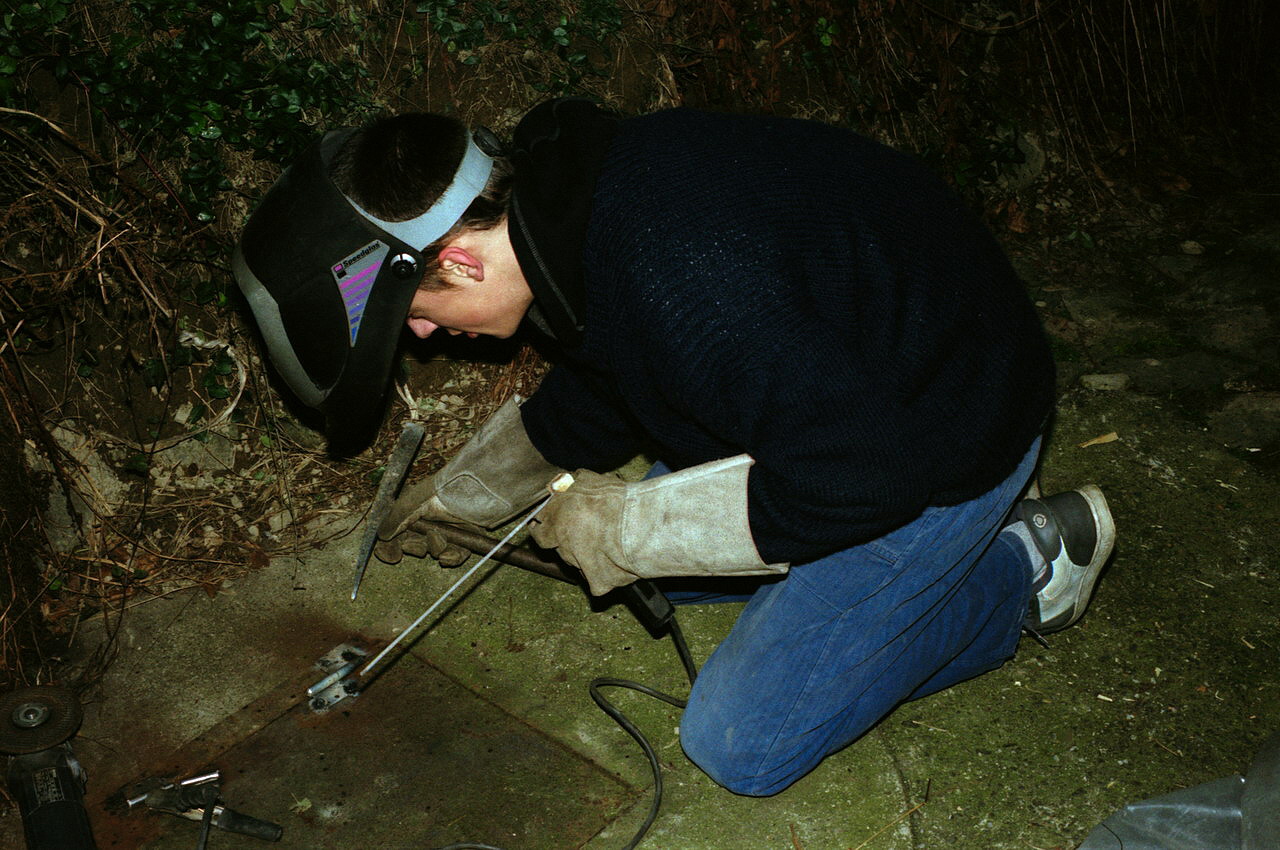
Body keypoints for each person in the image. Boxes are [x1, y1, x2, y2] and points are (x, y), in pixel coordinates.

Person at [233, 99, 1116, 796]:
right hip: (835, 396)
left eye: (418, 314)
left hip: (941, 435)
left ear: (459, 261)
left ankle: (1024, 566)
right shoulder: (567, 210)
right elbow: (616, 368)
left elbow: (861, 479)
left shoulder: (692, 280)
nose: (424, 334)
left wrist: (634, 529)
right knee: (646, 566)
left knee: (742, 740)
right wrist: (478, 489)